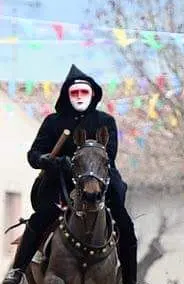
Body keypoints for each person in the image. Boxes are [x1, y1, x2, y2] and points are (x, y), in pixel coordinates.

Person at [3, 65, 137, 284]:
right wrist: (48, 160)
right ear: (67, 95)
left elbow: (110, 154)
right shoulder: (53, 122)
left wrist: (85, 165)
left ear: (92, 94)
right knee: (40, 218)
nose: (79, 96)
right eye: (74, 93)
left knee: (125, 224)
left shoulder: (106, 122)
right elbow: (34, 154)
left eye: (83, 92)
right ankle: (17, 271)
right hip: (60, 186)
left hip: (98, 183)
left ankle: (131, 279)